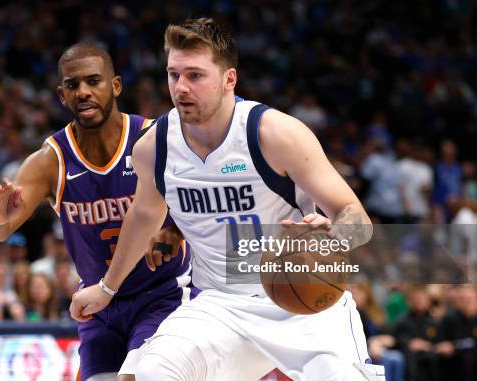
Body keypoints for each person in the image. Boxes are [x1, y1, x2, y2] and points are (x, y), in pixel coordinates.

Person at [71, 18, 384, 381]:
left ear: (229, 80)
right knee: (151, 371)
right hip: (221, 303)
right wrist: (107, 288)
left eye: (195, 75)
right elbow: (143, 217)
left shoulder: (275, 134)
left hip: (304, 303)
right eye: (174, 75)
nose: (181, 87)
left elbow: (357, 219)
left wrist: (331, 238)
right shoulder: (154, 148)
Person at [0, 42, 191, 381]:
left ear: (115, 86)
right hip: (99, 305)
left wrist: (177, 230)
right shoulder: (51, 161)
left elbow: (205, 202)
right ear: (62, 95)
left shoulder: (153, 138)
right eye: (73, 85)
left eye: (94, 81)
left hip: (161, 294)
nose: (84, 92)